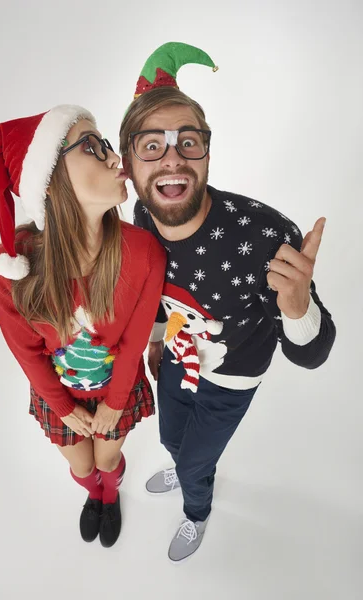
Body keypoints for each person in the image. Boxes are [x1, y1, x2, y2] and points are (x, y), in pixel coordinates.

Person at [120, 42, 336, 562]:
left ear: (207, 152)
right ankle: (185, 464)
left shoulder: (263, 235)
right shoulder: (143, 217)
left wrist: (298, 304)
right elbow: (153, 292)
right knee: (172, 436)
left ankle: (198, 508)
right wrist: (155, 341)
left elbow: (312, 353)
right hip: (176, 356)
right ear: (127, 164)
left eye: (187, 141)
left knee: (196, 463)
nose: (172, 157)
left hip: (233, 374)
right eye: (152, 145)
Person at [0, 104, 166, 548]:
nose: (114, 157)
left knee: (107, 461)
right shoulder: (12, 267)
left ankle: (111, 495)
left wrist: (114, 404)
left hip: (116, 392)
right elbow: (27, 352)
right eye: (92, 146)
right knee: (83, 468)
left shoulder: (144, 253)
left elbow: (133, 342)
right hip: (58, 395)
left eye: (106, 144)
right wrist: (63, 408)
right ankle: (94, 496)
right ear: (47, 179)